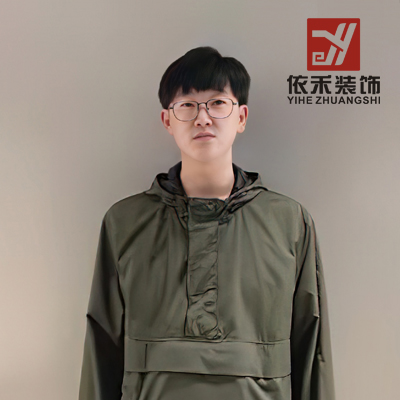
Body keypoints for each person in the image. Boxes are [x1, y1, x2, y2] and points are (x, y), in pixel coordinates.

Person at [78, 46, 336, 400]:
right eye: (187, 105)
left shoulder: (289, 223)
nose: (203, 117)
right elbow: (102, 348)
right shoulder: (124, 223)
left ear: (241, 117)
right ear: (167, 121)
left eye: (217, 103)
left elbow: (311, 349)